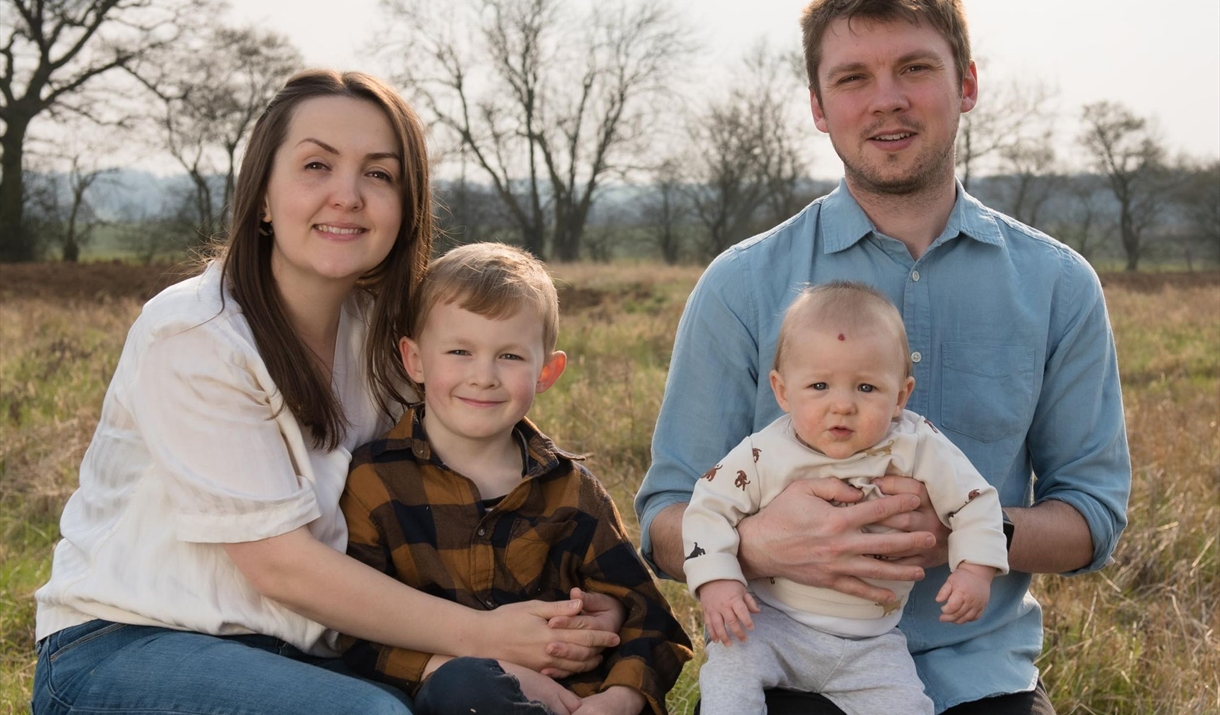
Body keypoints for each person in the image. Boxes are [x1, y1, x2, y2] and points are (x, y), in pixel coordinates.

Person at [31, 70, 623, 715]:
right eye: (316, 164)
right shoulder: (196, 334)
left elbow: (469, 478)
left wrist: (577, 599)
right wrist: (483, 634)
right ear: (262, 195)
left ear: (406, 206)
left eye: (378, 174)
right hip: (131, 645)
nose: (347, 195)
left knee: (481, 697)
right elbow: (280, 566)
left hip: (317, 653)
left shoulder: (390, 340)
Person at [634, 1, 1131, 713]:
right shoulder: (740, 285)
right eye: (853, 78)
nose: (886, 100)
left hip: (983, 673)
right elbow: (661, 521)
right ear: (818, 105)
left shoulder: (1059, 286)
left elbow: (1093, 519)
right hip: (788, 670)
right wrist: (763, 544)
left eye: (915, 68)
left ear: (967, 85)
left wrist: (956, 533)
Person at [340, 242, 693, 715]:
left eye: (509, 356)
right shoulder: (373, 483)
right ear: (415, 359)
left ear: (546, 371)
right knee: (465, 687)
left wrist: (620, 697)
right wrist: (481, 667)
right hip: (455, 700)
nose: (483, 376)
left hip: (578, 704)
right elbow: (351, 635)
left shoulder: (572, 490)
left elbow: (648, 619)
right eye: (460, 351)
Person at [685, 281, 1008, 715]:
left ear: (900, 395)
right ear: (782, 391)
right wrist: (717, 579)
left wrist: (975, 570)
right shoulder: (764, 452)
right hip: (771, 626)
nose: (842, 406)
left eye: (866, 388)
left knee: (909, 706)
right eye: (819, 386)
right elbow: (708, 505)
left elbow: (976, 501)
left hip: (874, 643)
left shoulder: (918, 446)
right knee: (729, 673)